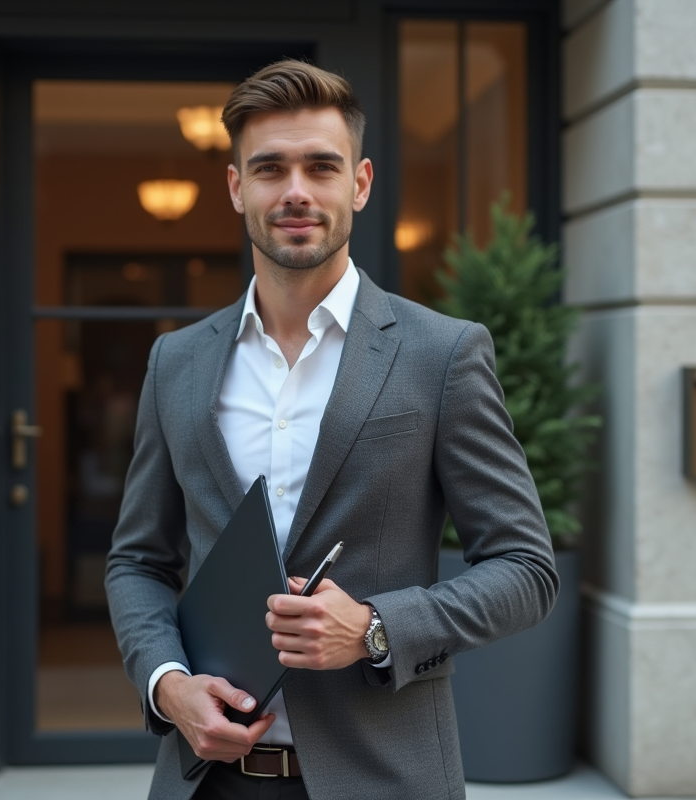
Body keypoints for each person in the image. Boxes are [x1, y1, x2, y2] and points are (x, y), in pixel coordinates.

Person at [105, 59, 557, 800]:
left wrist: (377, 627)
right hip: (205, 780)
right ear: (235, 187)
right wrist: (167, 685)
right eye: (269, 168)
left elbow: (525, 570)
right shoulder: (176, 363)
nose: (295, 192)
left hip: (384, 776)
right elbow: (138, 563)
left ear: (361, 182)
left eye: (321, 166)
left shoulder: (441, 354)